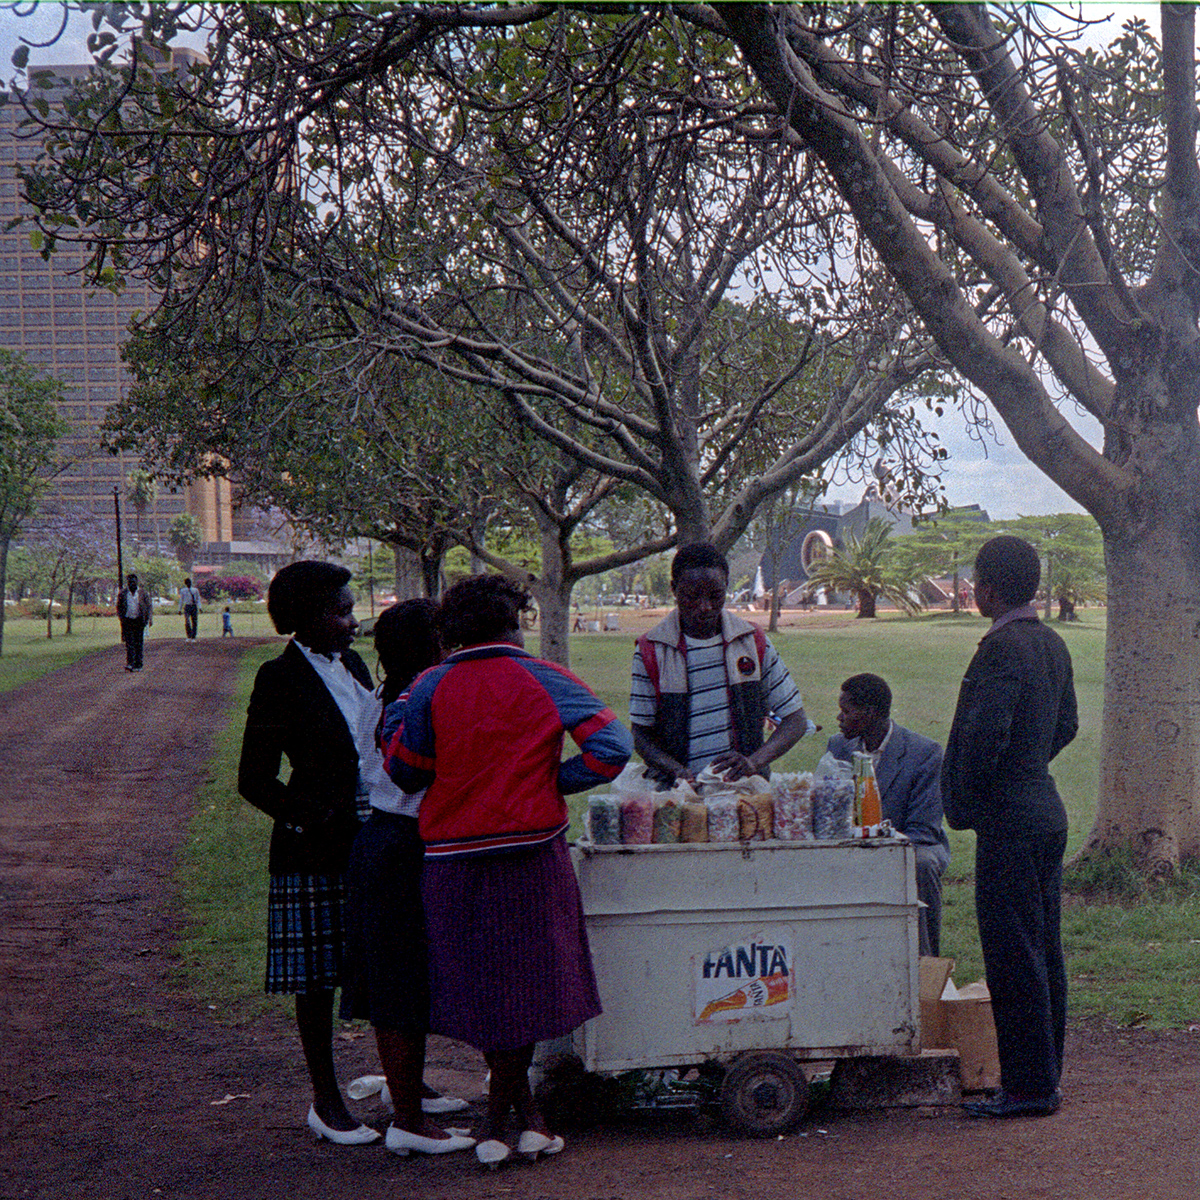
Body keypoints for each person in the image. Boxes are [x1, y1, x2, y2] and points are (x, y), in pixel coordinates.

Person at [385, 575, 632, 1168]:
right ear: (514, 624)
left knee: (483, 987)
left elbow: (405, 770)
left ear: (450, 632)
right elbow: (612, 748)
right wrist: (552, 781)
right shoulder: (546, 677)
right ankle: (507, 1118)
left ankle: (513, 1117)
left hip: (452, 862)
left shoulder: (429, 685)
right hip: (531, 853)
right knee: (526, 983)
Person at [237, 561, 381, 1146]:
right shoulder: (280, 678)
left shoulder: (351, 663)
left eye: (351, 608)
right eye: (339, 611)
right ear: (302, 618)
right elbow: (254, 779)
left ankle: (406, 1085)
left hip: (369, 837)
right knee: (318, 978)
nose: (352, 622)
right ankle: (326, 1101)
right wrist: (316, 817)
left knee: (381, 961)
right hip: (313, 850)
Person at [941, 536, 1078, 1119]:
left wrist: (971, 802)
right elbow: (1066, 725)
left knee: (1012, 956)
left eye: (976, 580)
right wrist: (1028, 765)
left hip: (1012, 821)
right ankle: (1042, 1078)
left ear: (989, 589)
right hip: (1045, 811)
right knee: (1042, 950)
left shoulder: (1000, 650)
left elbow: (982, 739)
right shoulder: (1050, 642)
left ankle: (1026, 1088)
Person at [340, 600, 474, 1158]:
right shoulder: (417, 699)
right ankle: (409, 1121)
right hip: (405, 842)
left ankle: (411, 1094)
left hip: (385, 841)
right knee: (399, 981)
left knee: (405, 977)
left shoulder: (384, 693)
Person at [630, 542, 810, 783]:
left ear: (726, 587)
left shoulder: (751, 642)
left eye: (716, 596)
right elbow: (640, 735)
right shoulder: (652, 649)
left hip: (743, 795)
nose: (705, 607)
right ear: (674, 589)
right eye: (692, 596)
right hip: (677, 798)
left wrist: (753, 762)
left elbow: (795, 720)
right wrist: (674, 770)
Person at [826, 673, 950, 955]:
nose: (839, 717)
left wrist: (880, 844)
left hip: (910, 842)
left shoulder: (924, 753)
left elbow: (924, 828)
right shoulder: (838, 747)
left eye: (846, 711)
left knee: (920, 865)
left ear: (869, 713)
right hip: (853, 838)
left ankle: (925, 964)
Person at [117, 572, 153, 671]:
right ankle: (130, 663)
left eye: (133, 581)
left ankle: (138, 664)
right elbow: (119, 607)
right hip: (128, 620)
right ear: (127, 583)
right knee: (129, 643)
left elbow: (149, 606)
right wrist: (121, 619)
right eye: (130, 582)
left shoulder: (143, 593)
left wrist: (149, 619)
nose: (132, 584)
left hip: (139, 620)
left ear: (137, 582)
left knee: (138, 643)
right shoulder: (123, 593)